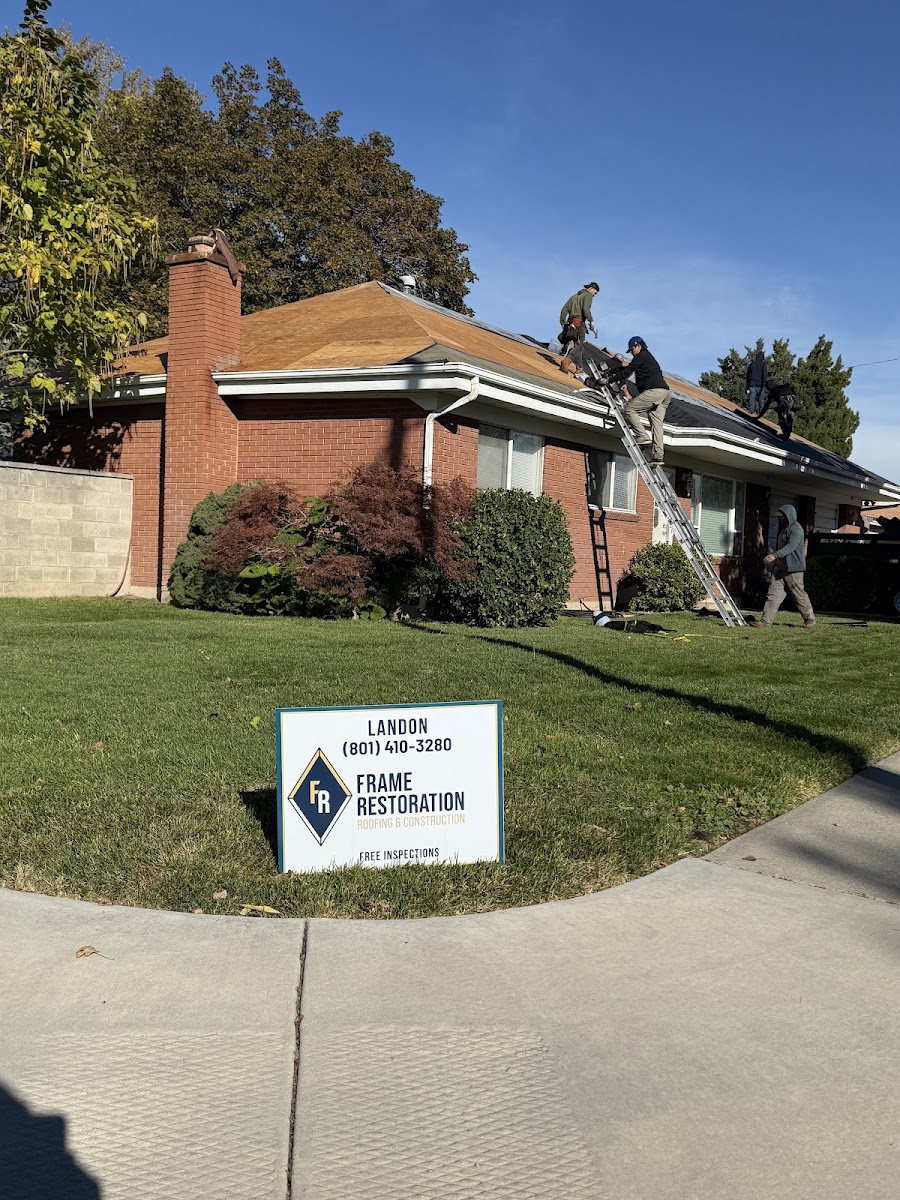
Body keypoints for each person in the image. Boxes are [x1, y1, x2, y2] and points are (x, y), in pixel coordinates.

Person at [747, 503, 816, 629]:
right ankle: (765, 621)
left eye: (782, 516)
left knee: (798, 594)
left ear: (789, 516)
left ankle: (810, 620)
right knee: (773, 594)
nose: (779, 519)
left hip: (793, 570)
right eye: (779, 517)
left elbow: (791, 546)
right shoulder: (784, 529)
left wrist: (774, 555)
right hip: (780, 569)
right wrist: (775, 561)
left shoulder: (796, 529)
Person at [614, 336, 672, 463]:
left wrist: (608, 380)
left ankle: (642, 436)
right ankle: (658, 455)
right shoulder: (647, 359)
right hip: (664, 393)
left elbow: (628, 370)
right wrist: (627, 391)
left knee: (629, 410)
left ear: (638, 346)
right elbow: (633, 377)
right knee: (656, 423)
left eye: (632, 350)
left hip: (655, 391)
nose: (631, 353)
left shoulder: (641, 356)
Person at [559, 282, 599, 373]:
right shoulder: (588, 296)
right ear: (591, 289)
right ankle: (567, 360)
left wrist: (563, 323)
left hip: (570, 322)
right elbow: (586, 309)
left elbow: (564, 310)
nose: (594, 295)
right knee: (580, 344)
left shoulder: (574, 297)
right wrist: (591, 320)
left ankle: (579, 368)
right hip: (579, 322)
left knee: (579, 345)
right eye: (595, 293)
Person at [745, 349, 767, 414]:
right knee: (761, 398)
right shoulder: (763, 365)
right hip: (760, 384)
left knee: (752, 396)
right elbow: (765, 375)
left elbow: (748, 374)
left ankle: (751, 410)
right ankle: (761, 412)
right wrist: (765, 382)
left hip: (752, 383)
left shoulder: (752, 364)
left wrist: (747, 384)